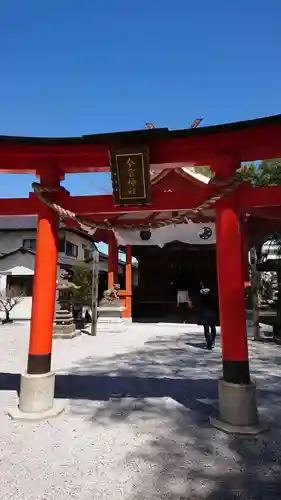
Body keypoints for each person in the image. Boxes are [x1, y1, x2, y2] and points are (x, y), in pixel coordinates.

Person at [199, 283, 217, 349]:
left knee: (206, 329)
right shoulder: (213, 295)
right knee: (213, 327)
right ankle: (212, 341)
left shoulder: (201, 295)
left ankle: (208, 343)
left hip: (205, 313)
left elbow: (200, 305)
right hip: (212, 313)